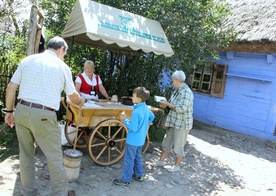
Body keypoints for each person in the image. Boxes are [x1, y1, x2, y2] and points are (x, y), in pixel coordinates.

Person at [4, 36, 85, 196]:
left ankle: (28, 192)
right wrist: (82, 100)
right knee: (54, 157)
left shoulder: (27, 60)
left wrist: (9, 111)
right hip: (44, 115)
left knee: (26, 155)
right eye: (64, 54)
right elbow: (73, 97)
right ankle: (59, 193)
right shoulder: (62, 67)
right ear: (61, 49)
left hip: (21, 110)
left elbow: (11, 88)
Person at [151, 70, 194, 173]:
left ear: (177, 80)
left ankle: (177, 166)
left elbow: (182, 108)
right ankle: (161, 161)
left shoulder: (186, 92)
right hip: (173, 121)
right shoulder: (177, 90)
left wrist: (168, 105)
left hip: (182, 123)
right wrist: (165, 104)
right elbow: (172, 105)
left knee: (179, 145)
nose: (172, 82)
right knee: (167, 142)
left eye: (172, 80)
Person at [113, 87, 155, 186]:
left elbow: (133, 127)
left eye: (133, 96)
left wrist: (124, 119)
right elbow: (152, 117)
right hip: (141, 140)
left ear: (139, 99)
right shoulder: (145, 108)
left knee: (129, 160)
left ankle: (126, 180)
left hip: (132, 140)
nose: (132, 97)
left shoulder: (136, 112)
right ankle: (139, 175)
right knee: (137, 157)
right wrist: (145, 125)